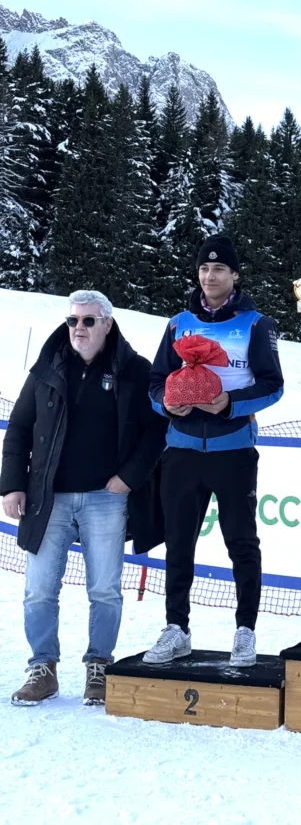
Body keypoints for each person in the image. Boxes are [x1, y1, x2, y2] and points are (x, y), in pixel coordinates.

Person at [1, 290, 166, 706]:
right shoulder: (47, 367)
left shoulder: (134, 369)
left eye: (89, 320)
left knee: (105, 590)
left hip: (105, 499)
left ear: (107, 323)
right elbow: (19, 428)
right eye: (73, 320)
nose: (79, 328)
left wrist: (129, 478)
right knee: (39, 590)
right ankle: (43, 668)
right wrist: (12, 484)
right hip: (48, 497)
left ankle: (99, 666)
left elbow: (156, 432)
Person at [145, 235, 283, 667]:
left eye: (220, 269)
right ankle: (177, 628)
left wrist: (229, 404)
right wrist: (165, 404)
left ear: (235, 275)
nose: (210, 276)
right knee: (178, 543)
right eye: (204, 268)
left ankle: (245, 630)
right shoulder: (178, 323)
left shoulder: (256, 324)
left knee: (241, 542)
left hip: (233, 450)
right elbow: (155, 382)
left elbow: (273, 386)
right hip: (181, 451)